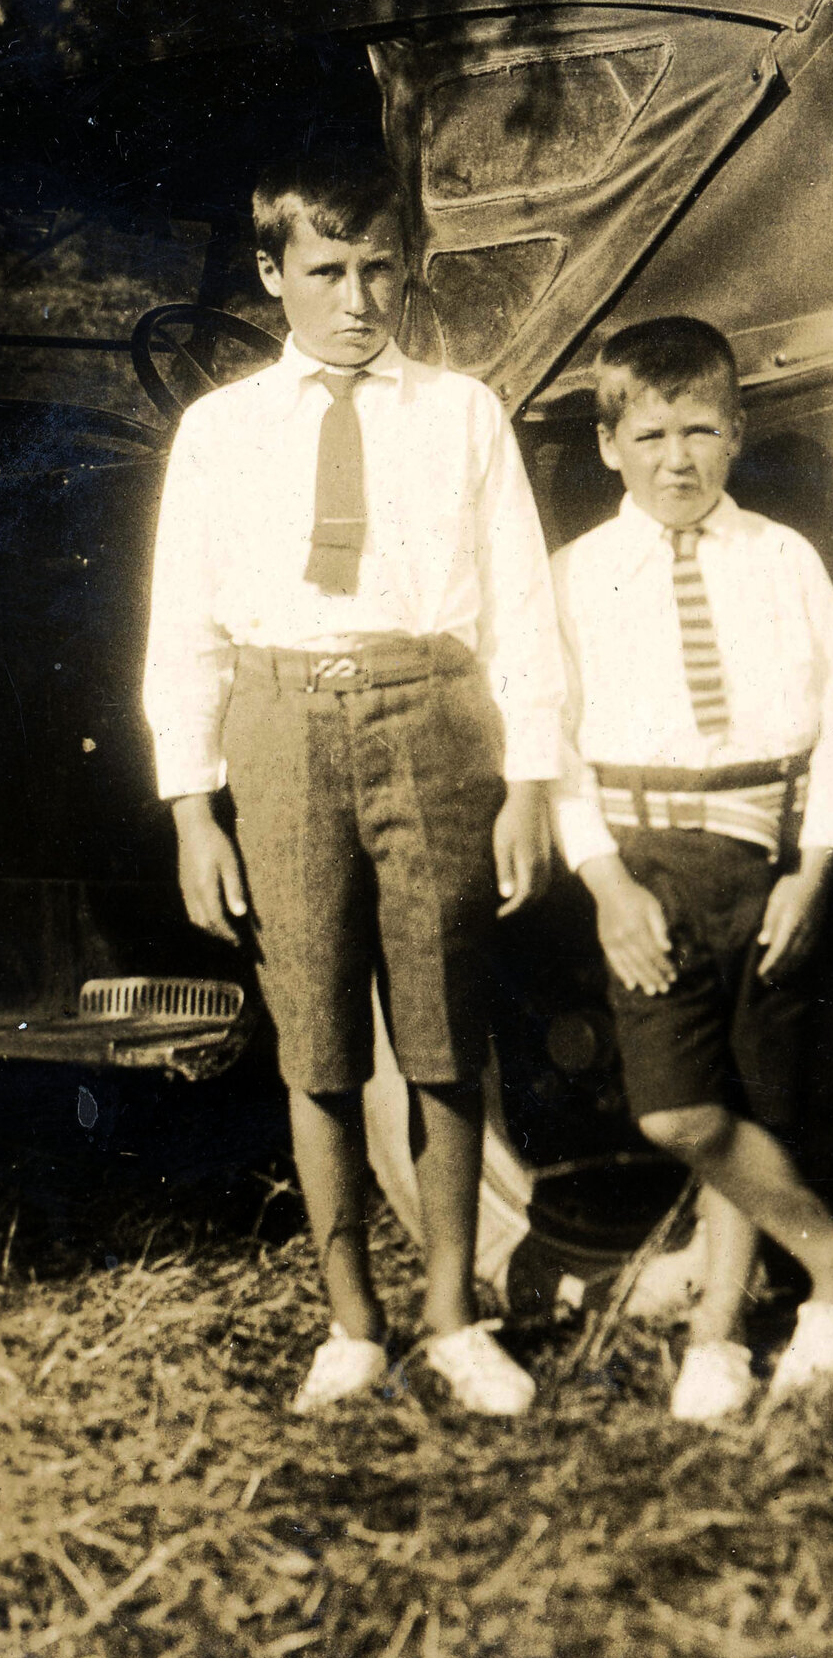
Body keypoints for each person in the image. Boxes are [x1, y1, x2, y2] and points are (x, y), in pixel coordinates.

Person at [142, 149, 565, 1421]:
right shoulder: (220, 433)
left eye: (381, 266)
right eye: (326, 270)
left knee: (442, 1038)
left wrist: (529, 779)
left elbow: (523, 611)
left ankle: (450, 1315)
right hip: (279, 729)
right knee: (316, 1046)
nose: (358, 298)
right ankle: (351, 1323)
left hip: (432, 720)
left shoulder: (462, 413)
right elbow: (182, 633)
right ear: (273, 275)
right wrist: (191, 808)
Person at [552, 315, 833, 1423]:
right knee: (677, 1112)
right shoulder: (575, 577)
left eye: (700, 430)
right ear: (608, 444)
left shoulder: (782, 560)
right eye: (649, 435)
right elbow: (546, 742)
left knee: (753, 1100)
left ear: (738, 431)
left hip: (763, 859)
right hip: (642, 868)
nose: (677, 459)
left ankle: (717, 1337)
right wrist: (604, 883)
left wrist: (814, 867)